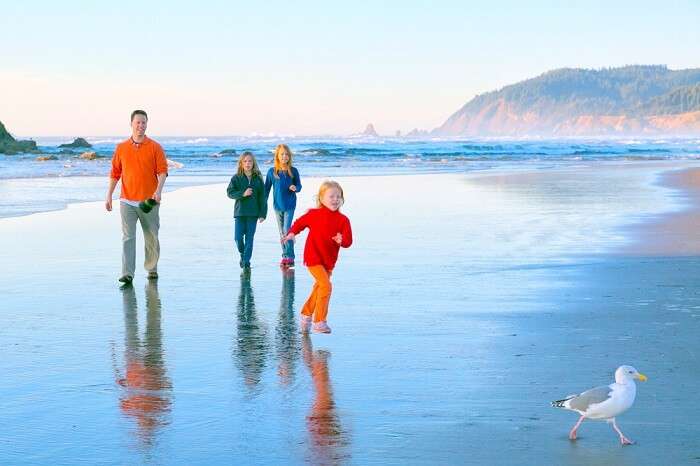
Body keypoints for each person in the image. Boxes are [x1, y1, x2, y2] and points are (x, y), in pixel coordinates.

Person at [106, 110, 168, 284]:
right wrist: (109, 195)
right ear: (131, 124)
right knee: (128, 237)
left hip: (149, 201)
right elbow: (115, 173)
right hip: (126, 200)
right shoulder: (121, 148)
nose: (140, 125)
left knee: (151, 236)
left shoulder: (155, 147)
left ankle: (151, 268)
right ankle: (127, 273)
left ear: (147, 124)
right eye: (138, 122)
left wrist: (158, 191)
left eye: (143, 122)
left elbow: (162, 171)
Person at [283, 181, 352, 334]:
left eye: (338, 196)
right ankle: (319, 321)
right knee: (326, 286)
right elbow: (299, 223)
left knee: (319, 287)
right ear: (321, 198)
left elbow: (348, 241)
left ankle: (306, 314)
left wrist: (343, 240)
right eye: (331, 196)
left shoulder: (344, 220)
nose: (335, 199)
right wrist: (292, 233)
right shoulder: (314, 215)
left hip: (328, 261)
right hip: (313, 257)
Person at [227, 152, 267, 270]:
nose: (247, 163)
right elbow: (230, 193)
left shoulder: (258, 179)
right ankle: (243, 255)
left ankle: (246, 262)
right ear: (241, 163)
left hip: (253, 214)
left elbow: (262, 198)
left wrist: (262, 214)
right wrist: (242, 194)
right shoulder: (236, 178)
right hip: (240, 213)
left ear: (253, 163)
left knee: (249, 239)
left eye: (250, 161)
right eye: (245, 161)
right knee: (238, 238)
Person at [265, 144, 302, 268]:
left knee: (286, 230)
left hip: (290, 205)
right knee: (282, 232)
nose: (284, 156)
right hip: (277, 206)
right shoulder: (272, 172)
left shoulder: (293, 171)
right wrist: (261, 204)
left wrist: (295, 188)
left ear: (289, 156)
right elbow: (266, 190)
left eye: (286, 154)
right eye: (282, 154)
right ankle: (285, 256)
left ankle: (290, 256)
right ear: (277, 156)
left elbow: (299, 186)